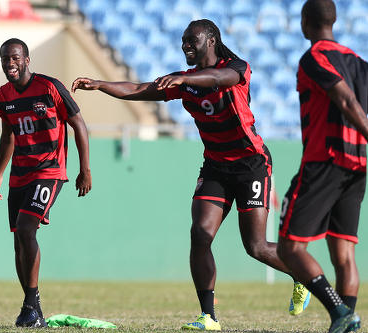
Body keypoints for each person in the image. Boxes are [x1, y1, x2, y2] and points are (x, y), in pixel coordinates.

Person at [72, 19, 308, 331]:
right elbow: (140, 89)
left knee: (256, 247)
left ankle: (303, 274)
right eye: (183, 40)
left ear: (211, 41)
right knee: (200, 234)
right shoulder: (185, 80)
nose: (185, 45)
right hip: (215, 166)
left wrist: (184, 81)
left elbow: (221, 78)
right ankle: (208, 317)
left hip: (251, 163)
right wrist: (102, 85)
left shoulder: (236, 67)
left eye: (191, 40)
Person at [277, 0, 368, 332]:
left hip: (325, 161)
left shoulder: (314, 57)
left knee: (289, 247)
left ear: (305, 22)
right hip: (357, 164)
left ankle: (339, 312)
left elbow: (346, 101)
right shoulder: (358, 62)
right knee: (344, 253)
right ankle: (349, 322)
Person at [0, 38, 92, 328]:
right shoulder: (2, 96)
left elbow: (79, 124)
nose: (10, 63)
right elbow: (8, 136)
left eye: (15, 58)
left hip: (49, 170)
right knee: (18, 242)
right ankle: (32, 309)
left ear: (27, 59)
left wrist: (85, 169)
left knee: (25, 228)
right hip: (19, 175)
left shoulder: (50, 87)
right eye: (5, 59)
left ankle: (31, 305)